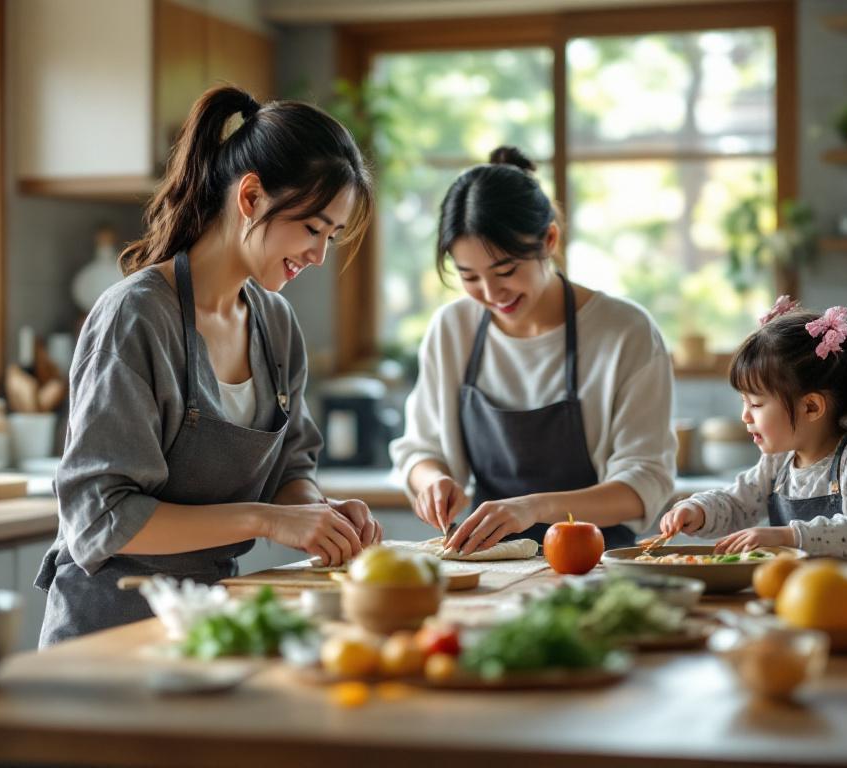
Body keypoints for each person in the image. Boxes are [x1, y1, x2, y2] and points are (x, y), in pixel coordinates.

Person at [36, 86, 380, 646]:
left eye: (331, 237)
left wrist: (320, 515)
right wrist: (268, 520)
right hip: (107, 630)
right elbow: (104, 517)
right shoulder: (136, 316)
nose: (319, 256)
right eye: (312, 229)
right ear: (251, 196)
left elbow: (290, 470)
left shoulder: (276, 323)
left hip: (210, 623)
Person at [390, 146, 677, 555]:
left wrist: (535, 509)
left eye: (506, 271)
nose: (491, 293)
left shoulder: (625, 332)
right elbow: (421, 449)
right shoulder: (452, 329)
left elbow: (644, 482)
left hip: (597, 562)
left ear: (549, 239)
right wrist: (431, 480)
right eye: (469, 276)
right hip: (488, 563)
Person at [655, 296, 847, 567]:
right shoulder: (779, 462)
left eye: (756, 404)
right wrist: (698, 509)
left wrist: (789, 536)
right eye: (744, 402)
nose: (744, 416)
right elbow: (737, 503)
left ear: (811, 407)